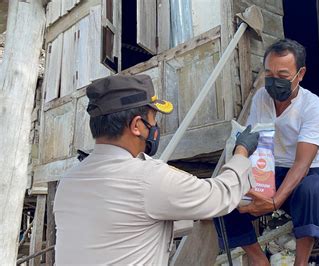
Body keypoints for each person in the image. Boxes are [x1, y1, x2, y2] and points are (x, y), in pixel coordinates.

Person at [53, 74, 259, 265]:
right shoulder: (148, 178)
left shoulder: (68, 181)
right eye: (153, 119)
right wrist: (241, 153)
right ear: (136, 125)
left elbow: (125, 227)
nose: (155, 126)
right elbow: (219, 196)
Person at [215, 39, 319, 266]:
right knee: (223, 192)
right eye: (269, 73)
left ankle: (301, 262)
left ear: (300, 74)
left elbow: (302, 164)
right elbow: (252, 140)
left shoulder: (313, 106)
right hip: (269, 170)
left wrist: (275, 201)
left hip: (306, 173)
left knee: (312, 189)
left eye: (283, 75)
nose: (274, 81)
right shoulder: (261, 98)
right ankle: (259, 260)